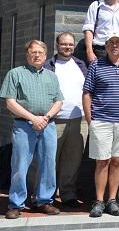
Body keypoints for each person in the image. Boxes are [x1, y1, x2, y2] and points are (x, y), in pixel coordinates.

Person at [1, 40, 63, 219]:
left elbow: (59, 100)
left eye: (40, 52)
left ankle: (44, 201)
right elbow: (10, 102)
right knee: (20, 165)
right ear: (27, 54)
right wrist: (33, 118)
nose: (36, 55)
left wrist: (46, 117)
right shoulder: (15, 74)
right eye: (33, 52)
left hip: (47, 125)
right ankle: (15, 204)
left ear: (45, 55)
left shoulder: (52, 76)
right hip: (23, 126)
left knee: (48, 165)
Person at [83, 32, 119, 218]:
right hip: (101, 120)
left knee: (117, 161)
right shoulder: (96, 65)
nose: (114, 46)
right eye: (110, 43)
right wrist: (89, 119)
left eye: (117, 43)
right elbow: (87, 93)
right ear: (106, 45)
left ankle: (112, 200)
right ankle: (99, 201)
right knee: (102, 161)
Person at [42, 32, 88, 208]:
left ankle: (68, 194)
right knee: (50, 159)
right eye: (64, 44)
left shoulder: (80, 65)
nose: (67, 47)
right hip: (55, 120)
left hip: (79, 119)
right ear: (57, 45)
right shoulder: (48, 66)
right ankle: (47, 196)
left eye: (70, 44)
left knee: (73, 160)